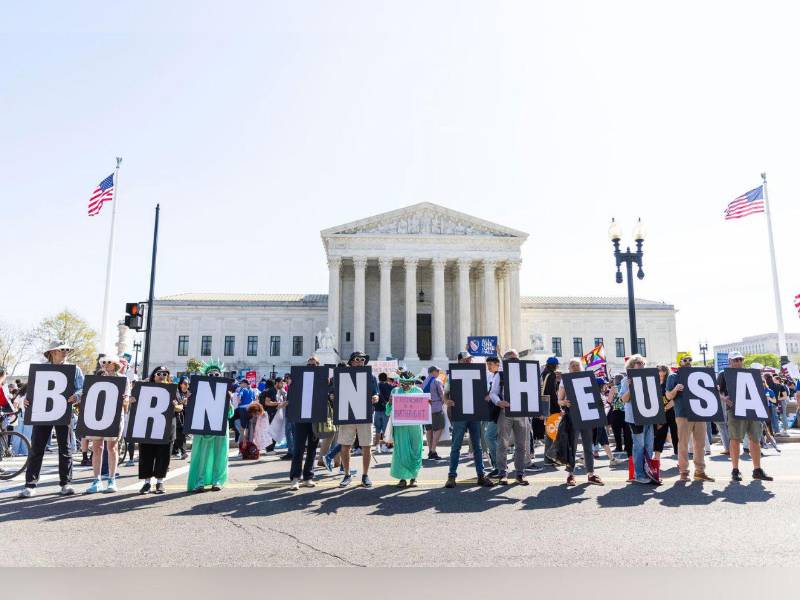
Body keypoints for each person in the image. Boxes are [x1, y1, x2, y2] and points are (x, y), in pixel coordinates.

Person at [19, 341, 84, 498]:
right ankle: (30, 485)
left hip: (64, 411)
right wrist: (26, 400)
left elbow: (83, 387)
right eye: (62, 350)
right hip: (42, 411)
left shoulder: (74, 369)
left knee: (65, 447)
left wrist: (77, 396)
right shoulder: (40, 369)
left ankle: (66, 483)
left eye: (67, 350)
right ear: (53, 352)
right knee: (37, 447)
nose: (66, 352)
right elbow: (31, 390)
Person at [718, 352, 772, 482]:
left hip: (752, 409)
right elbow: (716, 390)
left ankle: (757, 469)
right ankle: (735, 470)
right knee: (735, 439)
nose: (738, 362)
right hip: (735, 410)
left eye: (740, 359)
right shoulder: (723, 374)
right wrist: (724, 399)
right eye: (735, 360)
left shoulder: (749, 373)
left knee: (755, 439)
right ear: (730, 361)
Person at [444, 353, 494, 488]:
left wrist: (487, 397)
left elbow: (484, 391)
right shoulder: (452, 375)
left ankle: (481, 475)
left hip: (474, 413)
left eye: (469, 359)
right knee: (456, 446)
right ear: (459, 360)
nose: (468, 361)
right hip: (460, 413)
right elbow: (446, 392)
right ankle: (451, 476)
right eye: (465, 359)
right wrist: (447, 401)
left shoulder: (479, 372)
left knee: (477, 446)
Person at [132, 365, 183, 494]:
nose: (162, 376)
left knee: (164, 455)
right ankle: (146, 483)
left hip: (166, 427)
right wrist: (132, 400)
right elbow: (134, 403)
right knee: (146, 454)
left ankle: (160, 482)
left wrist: (175, 406)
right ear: (153, 375)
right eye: (159, 373)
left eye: (165, 374)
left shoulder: (173, 389)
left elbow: (181, 407)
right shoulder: (144, 388)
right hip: (148, 426)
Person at [186, 359, 234, 492]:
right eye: (210, 375)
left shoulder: (226, 392)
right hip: (203, 428)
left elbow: (230, 413)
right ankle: (199, 481)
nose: (213, 377)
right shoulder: (199, 390)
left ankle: (217, 480)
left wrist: (228, 400)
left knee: (219, 454)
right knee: (202, 456)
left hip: (220, 426)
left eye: (217, 374)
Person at [85, 355, 129, 494]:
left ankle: (111, 479)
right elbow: (87, 392)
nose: (105, 364)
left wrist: (126, 400)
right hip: (98, 416)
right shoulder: (97, 379)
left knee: (112, 447)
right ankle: (96, 480)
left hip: (114, 416)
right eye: (103, 362)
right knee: (97, 447)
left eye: (108, 362)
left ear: (115, 364)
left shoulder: (123, 379)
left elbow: (126, 398)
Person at [665, 354, 713, 482]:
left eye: (690, 359)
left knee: (700, 444)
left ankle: (700, 471)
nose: (688, 362)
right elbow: (668, 396)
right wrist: (675, 389)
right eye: (685, 360)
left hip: (698, 412)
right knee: (683, 444)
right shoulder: (673, 376)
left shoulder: (698, 375)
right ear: (679, 362)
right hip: (683, 413)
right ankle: (684, 471)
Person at [558, 359, 604, 486]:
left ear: (581, 367)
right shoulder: (565, 380)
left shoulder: (588, 378)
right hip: (573, 416)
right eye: (572, 365)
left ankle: (590, 474)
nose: (575, 367)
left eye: (577, 365)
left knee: (588, 446)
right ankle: (570, 474)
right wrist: (565, 402)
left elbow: (594, 397)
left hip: (587, 415)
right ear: (569, 368)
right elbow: (559, 400)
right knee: (571, 446)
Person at [337, 351, 379, 488]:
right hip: (347, 414)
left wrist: (376, 397)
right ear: (351, 361)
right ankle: (347, 474)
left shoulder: (370, 376)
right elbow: (334, 391)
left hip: (364, 414)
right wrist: (333, 396)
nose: (361, 361)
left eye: (363, 359)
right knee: (345, 445)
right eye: (357, 359)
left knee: (366, 445)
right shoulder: (343, 375)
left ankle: (365, 475)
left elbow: (375, 392)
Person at [488, 355, 529, 486]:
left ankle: (519, 473)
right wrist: (499, 402)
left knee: (521, 445)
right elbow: (492, 392)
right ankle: (502, 473)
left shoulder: (525, 374)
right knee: (502, 443)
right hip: (505, 412)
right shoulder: (500, 375)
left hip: (521, 413)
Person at [620, 354, 657, 484]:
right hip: (634, 418)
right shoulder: (626, 380)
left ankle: (648, 471)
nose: (641, 365)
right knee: (639, 446)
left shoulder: (648, 378)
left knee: (649, 445)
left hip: (648, 416)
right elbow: (623, 399)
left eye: (642, 363)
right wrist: (631, 387)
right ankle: (639, 474)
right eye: (638, 362)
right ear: (632, 365)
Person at [289, 355, 322, 491]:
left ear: (318, 366)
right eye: (309, 365)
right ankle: (295, 478)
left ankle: (308, 476)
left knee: (312, 450)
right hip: (301, 418)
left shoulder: (322, 380)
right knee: (298, 449)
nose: (311, 367)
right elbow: (291, 396)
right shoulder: (298, 379)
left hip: (315, 418)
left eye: (314, 365)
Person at [388, 371, 425, 487]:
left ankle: (414, 477)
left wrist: (428, 404)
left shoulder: (418, 391)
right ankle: (402, 478)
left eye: (409, 383)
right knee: (401, 452)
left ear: (413, 382)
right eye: (403, 383)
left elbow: (424, 410)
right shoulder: (395, 391)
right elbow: (388, 411)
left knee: (415, 450)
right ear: (400, 382)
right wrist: (390, 404)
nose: (406, 386)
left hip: (415, 427)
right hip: (400, 427)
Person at [653, 365, 678, 462]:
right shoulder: (655, 383)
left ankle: (679, 459)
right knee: (659, 435)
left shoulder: (670, 382)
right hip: (660, 414)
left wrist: (665, 408)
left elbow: (674, 399)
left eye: (662, 370)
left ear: (665, 371)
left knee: (676, 435)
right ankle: (656, 460)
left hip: (672, 412)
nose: (660, 372)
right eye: (658, 370)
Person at [423, 366, 446, 460]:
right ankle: (433, 450)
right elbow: (442, 394)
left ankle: (430, 450)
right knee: (439, 427)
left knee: (429, 430)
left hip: (426, 408)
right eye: (437, 371)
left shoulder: (424, 381)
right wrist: (444, 403)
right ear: (433, 372)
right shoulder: (437, 381)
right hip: (436, 407)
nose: (438, 373)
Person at [541, 356, 560, 466]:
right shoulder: (551, 374)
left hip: (545, 405)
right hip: (551, 407)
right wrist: (557, 407)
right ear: (554, 365)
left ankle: (548, 457)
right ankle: (549, 457)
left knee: (549, 432)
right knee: (552, 432)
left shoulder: (544, 373)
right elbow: (552, 393)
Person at [373, 372, 393, 453]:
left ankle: (377, 446)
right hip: (386, 411)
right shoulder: (389, 386)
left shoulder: (376, 386)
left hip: (377, 410)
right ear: (386, 378)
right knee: (385, 430)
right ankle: (384, 446)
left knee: (377, 430)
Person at [172, 376, 190, 460]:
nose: (186, 385)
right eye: (185, 383)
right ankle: (184, 452)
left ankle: (174, 451)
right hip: (175, 415)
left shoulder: (187, 393)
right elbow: (177, 404)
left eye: (187, 384)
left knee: (178, 434)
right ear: (180, 384)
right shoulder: (176, 392)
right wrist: (183, 402)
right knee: (180, 433)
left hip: (184, 416)